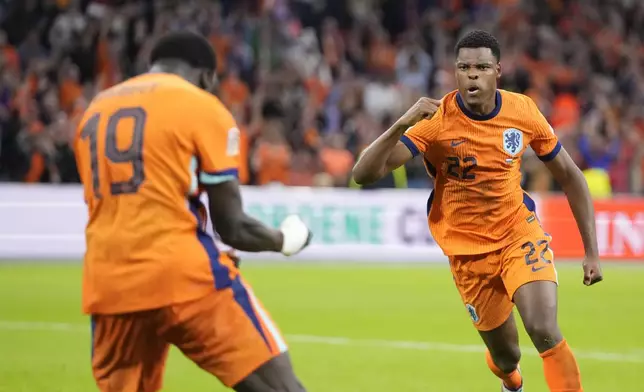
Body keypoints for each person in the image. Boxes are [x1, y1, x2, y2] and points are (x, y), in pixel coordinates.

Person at [353, 30, 603, 392]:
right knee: (507, 357)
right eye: (464, 67)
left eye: (482, 67)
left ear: (497, 71)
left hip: (518, 233)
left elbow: (571, 177)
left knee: (544, 330)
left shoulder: (523, 111)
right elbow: (364, 174)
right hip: (467, 253)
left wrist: (591, 251)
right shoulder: (435, 121)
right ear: (454, 72)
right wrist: (402, 123)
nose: (472, 74)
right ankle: (511, 382)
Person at [74, 31, 311, 392]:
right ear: (206, 77)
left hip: (108, 283)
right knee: (281, 388)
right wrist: (285, 240)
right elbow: (232, 226)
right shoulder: (201, 106)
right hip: (181, 276)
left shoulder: (95, 109)